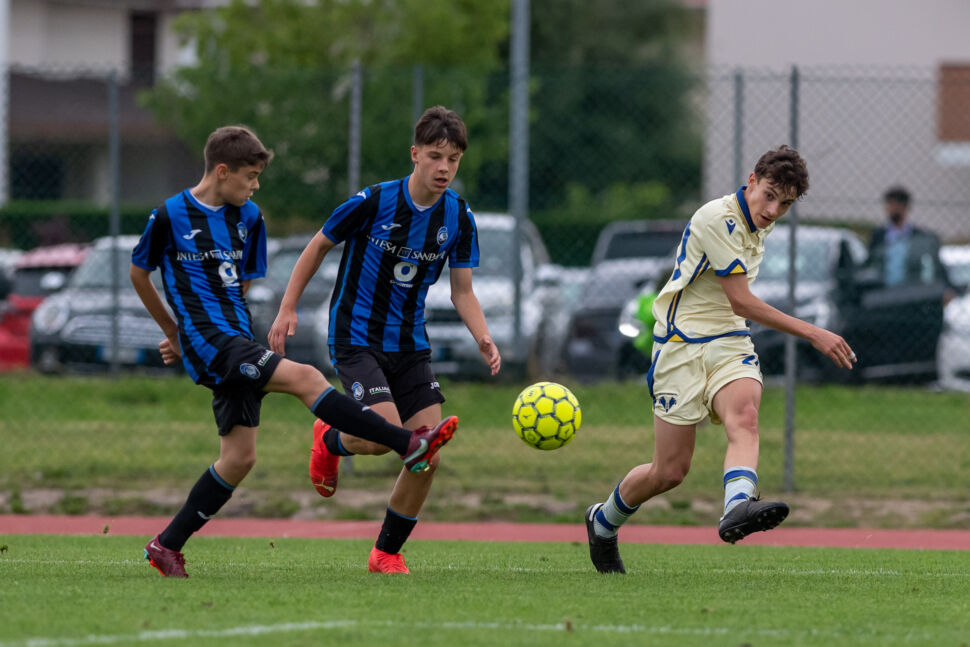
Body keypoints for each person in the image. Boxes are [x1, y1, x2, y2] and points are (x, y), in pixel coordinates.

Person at [130, 125, 458, 578]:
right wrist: (177, 331)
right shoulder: (169, 215)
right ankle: (410, 442)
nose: (256, 185)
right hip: (212, 344)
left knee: (239, 459)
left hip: (238, 338)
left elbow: (238, 284)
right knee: (306, 378)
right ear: (222, 172)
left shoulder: (249, 218)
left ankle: (165, 545)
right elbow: (139, 273)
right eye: (249, 176)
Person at [585, 145, 857, 574]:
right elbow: (741, 299)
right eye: (769, 195)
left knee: (745, 416)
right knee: (669, 471)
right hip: (680, 344)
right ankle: (603, 522)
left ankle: (737, 507)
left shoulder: (757, 224)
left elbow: (735, 310)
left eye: (785, 203)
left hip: (729, 339)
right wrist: (813, 331)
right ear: (751, 180)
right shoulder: (717, 218)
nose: (773, 210)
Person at [268, 106, 501, 574]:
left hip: (411, 344)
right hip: (356, 336)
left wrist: (484, 336)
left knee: (427, 451)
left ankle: (386, 552)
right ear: (414, 154)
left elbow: (462, 290)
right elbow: (317, 246)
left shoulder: (458, 216)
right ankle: (330, 439)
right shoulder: (373, 201)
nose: (443, 168)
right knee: (381, 439)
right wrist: (288, 306)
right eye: (435, 156)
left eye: (453, 159)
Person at [868, 185, 956, 301]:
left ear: (904, 207)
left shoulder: (920, 236)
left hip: (912, 293)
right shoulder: (878, 235)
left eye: (892, 204)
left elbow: (935, 263)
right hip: (885, 293)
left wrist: (947, 287)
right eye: (888, 204)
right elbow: (870, 262)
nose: (888, 208)